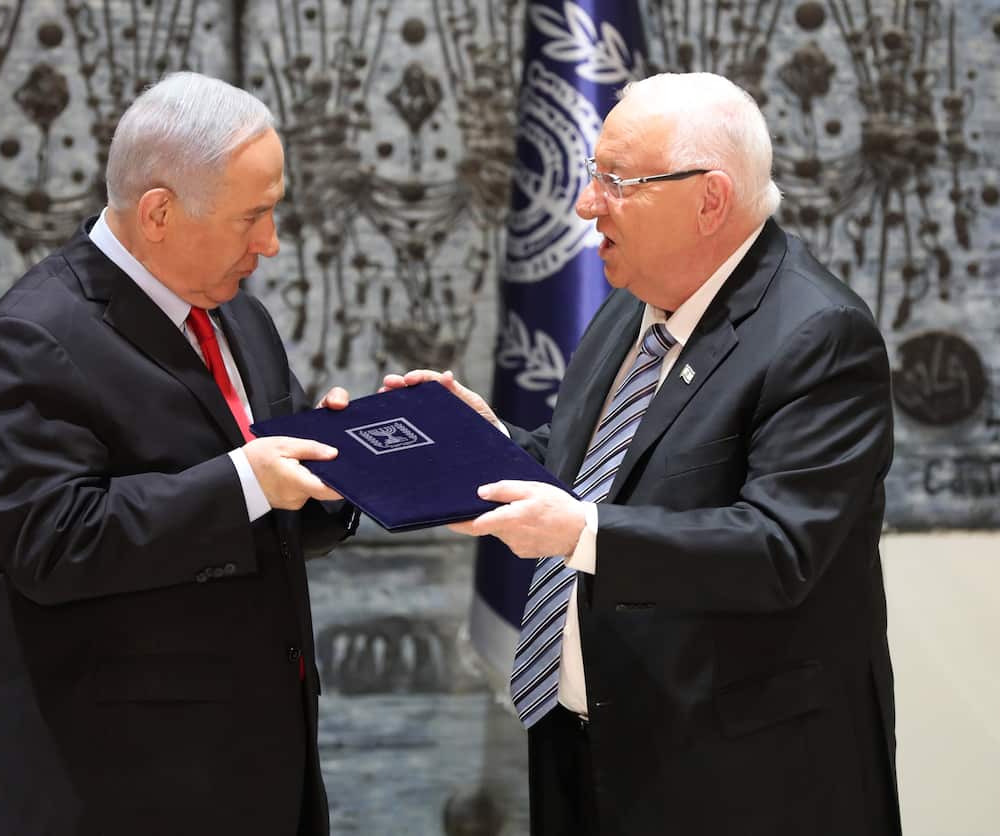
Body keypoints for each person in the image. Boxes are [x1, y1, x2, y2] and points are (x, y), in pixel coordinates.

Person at [386, 73, 901, 835]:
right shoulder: (632, 302)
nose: (586, 205)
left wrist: (576, 533)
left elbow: (780, 548)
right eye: (593, 177)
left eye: (615, 182)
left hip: (739, 780)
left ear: (710, 200)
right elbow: (601, 466)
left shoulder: (819, 335)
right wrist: (482, 447)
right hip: (587, 750)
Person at [0, 72, 359, 835]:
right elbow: (51, 542)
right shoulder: (34, 337)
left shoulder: (239, 313)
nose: (270, 244)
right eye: (255, 217)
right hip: (114, 789)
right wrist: (246, 480)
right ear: (159, 213)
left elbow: (262, 523)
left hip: (260, 772)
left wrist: (339, 473)